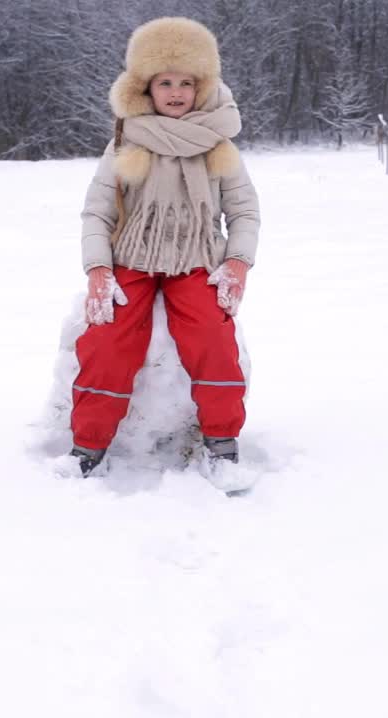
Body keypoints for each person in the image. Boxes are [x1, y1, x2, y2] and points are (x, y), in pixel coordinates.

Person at [69, 17, 261, 477]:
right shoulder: (124, 141)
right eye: (164, 82)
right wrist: (99, 269)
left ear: (202, 86)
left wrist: (236, 262)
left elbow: (244, 211)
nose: (176, 92)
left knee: (213, 337)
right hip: (131, 260)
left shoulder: (217, 144)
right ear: (145, 89)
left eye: (186, 83)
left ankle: (222, 443)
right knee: (107, 338)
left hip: (196, 261)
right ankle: (87, 446)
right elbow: (97, 212)